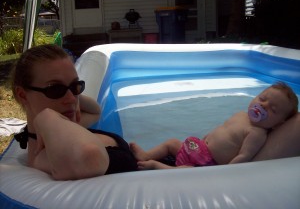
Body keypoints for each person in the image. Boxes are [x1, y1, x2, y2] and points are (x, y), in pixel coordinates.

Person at [12, 44, 137, 180]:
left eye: (75, 86)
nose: (71, 99)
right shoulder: (42, 154)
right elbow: (90, 158)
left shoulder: (66, 126)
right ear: (23, 95)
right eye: (55, 89)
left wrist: (74, 97)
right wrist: (47, 117)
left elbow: (95, 111)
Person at [130, 82, 299, 170]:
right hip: (199, 147)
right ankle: (146, 155)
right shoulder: (241, 115)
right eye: (262, 99)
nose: (263, 106)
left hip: (207, 164)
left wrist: (223, 173)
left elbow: (244, 156)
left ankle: (157, 166)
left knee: (186, 171)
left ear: (279, 123)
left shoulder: (257, 133)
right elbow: (222, 130)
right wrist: (206, 138)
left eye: (273, 109)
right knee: (172, 143)